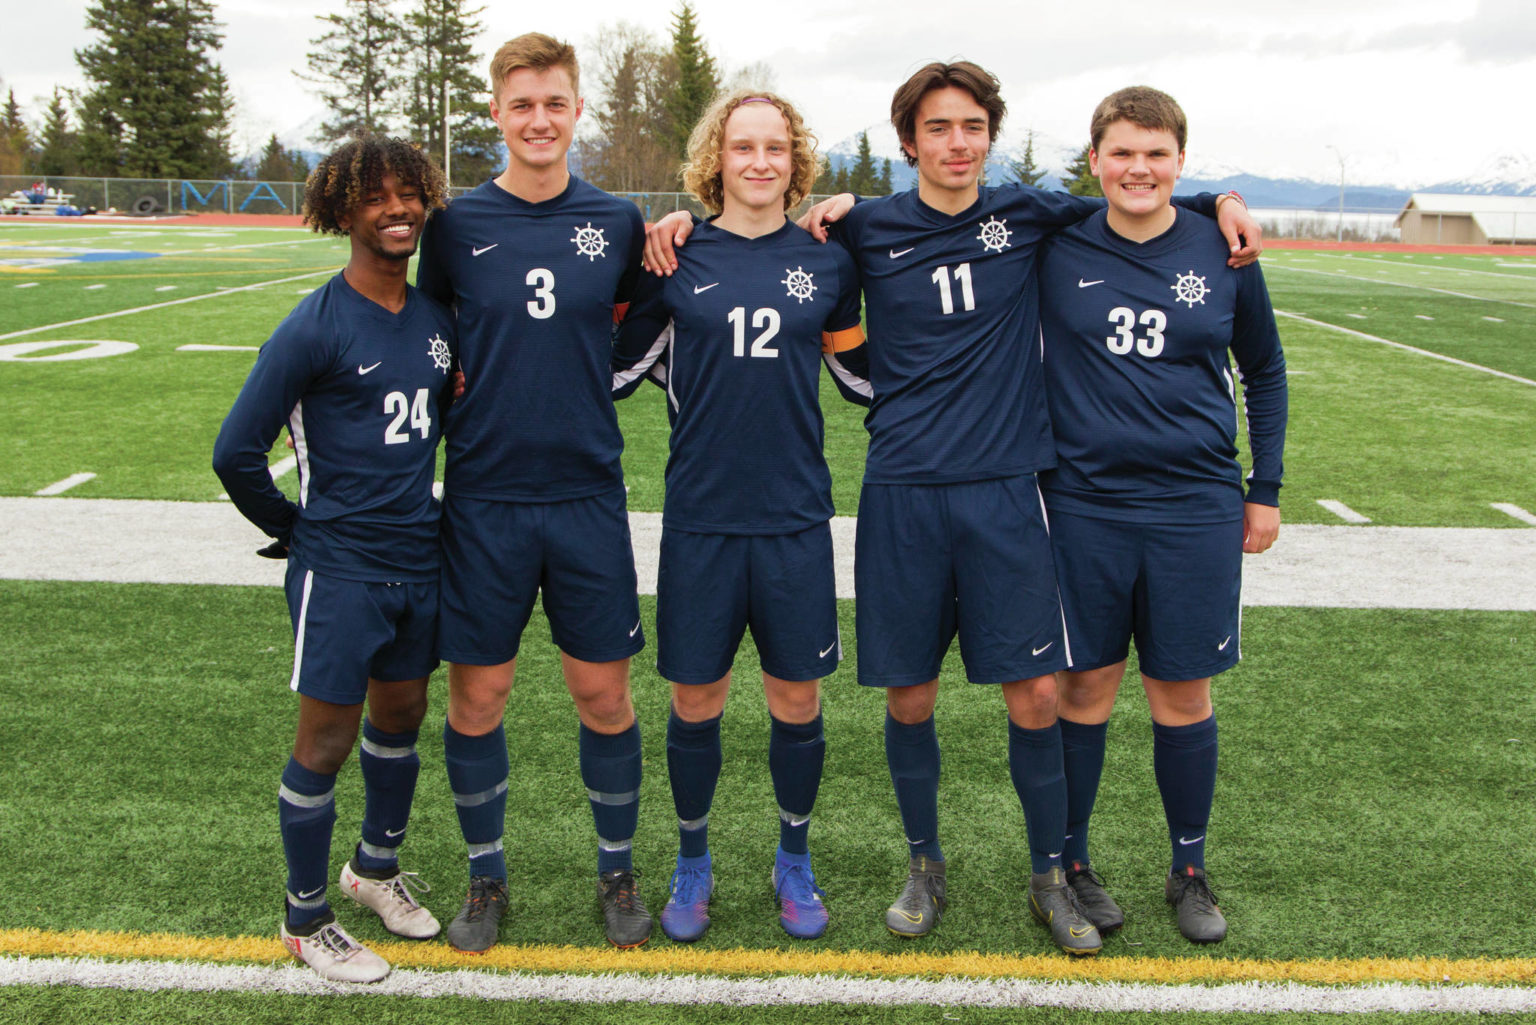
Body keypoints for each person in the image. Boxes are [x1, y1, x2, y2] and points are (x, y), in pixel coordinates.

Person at [646, 61, 1263, 956]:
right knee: (910, 694)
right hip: (903, 487)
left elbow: (1133, 193)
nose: (957, 142)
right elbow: (799, 290)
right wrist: (680, 223)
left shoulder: (1028, 214)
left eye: (972, 125)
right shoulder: (860, 228)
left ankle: (1049, 876)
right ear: (908, 141)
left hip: (1008, 488)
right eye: (937, 127)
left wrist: (1220, 199)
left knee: (1038, 692)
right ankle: (923, 864)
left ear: (990, 135)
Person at [610, 89, 866, 942]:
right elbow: (616, 369)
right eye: (743, 146)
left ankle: (794, 858)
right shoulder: (675, 257)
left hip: (794, 517)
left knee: (796, 696)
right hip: (702, 518)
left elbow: (861, 377)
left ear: (796, 161)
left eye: (776, 147)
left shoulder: (828, 261)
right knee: (697, 699)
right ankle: (693, 859)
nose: (760, 161)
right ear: (715, 158)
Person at [414, 32, 651, 951]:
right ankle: (486, 877)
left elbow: (642, 323)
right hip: (484, 498)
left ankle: (617, 871)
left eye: (555, 103)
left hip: (587, 494)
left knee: (604, 696)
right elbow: (425, 338)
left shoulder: (620, 221)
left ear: (577, 110)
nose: (539, 120)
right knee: (479, 697)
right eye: (522, 105)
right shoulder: (455, 225)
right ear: (497, 113)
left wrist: (591, 383)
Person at [1037, 86, 1287, 945]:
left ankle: (1189, 868)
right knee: (1084, 688)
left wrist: (1266, 486)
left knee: (1182, 691)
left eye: (1156, 154)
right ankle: (1072, 863)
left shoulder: (1224, 249)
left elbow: (1265, 371)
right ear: (1095, 159)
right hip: (1083, 505)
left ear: (1181, 160)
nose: (1138, 168)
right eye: (1122, 152)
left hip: (1195, 507)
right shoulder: (1058, 240)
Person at [212, 137, 455, 983]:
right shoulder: (313, 325)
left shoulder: (435, 318)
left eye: (408, 194)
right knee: (326, 738)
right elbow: (235, 452)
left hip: (418, 557)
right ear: (342, 211)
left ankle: (374, 870)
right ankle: (305, 917)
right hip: (341, 567)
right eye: (375, 197)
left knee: (403, 715)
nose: (397, 210)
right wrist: (296, 528)